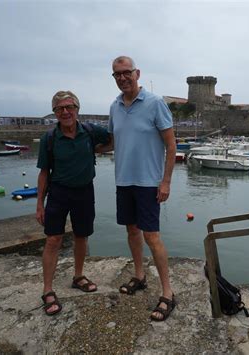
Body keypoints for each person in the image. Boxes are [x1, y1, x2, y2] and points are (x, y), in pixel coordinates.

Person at [97, 56, 177, 321]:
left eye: (126, 73)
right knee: (132, 231)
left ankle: (168, 293)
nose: (122, 78)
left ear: (137, 73)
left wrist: (165, 181)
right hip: (124, 180)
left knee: (151, 236)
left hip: (148, 182)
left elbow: (171, 145)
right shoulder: (114, 106)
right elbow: (111, 142)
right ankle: (139, 276)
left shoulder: (155, 103)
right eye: (116, 74)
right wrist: (86, 148)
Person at [36, 90, 110, 316]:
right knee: (53, 239)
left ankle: (78, 276)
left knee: (81, 236)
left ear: (77, 109)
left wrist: (98, 150)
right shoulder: (49, 139)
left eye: (69, 107)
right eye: (60, 109)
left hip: (85, 191)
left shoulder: (90, 131)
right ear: (55, 113)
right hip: (58, 192)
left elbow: (113, 139)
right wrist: (40, 204)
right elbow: (43, 173)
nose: (65, 112)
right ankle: (48, 290)